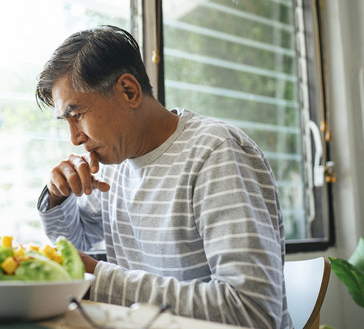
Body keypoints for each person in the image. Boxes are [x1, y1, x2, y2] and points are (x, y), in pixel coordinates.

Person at [35, 25, 291, 329]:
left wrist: (100, 280)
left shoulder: (216, 152)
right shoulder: (116, 164)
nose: (75, 138)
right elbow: (78, 240)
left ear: (128, 91)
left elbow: (252, 311)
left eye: (77, 115)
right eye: (66, 120)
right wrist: (58, 197)